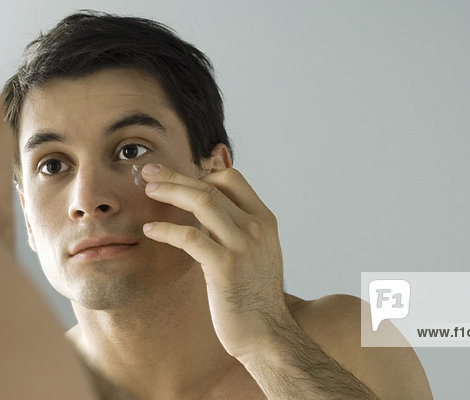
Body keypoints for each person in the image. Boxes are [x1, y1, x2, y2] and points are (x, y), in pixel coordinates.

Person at [1, 10, 432, 399]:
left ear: (213, 173)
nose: (88, 201)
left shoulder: (346, 337)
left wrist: (267, 341)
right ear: (26, 213)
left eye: (132, 150)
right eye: (53, 164)